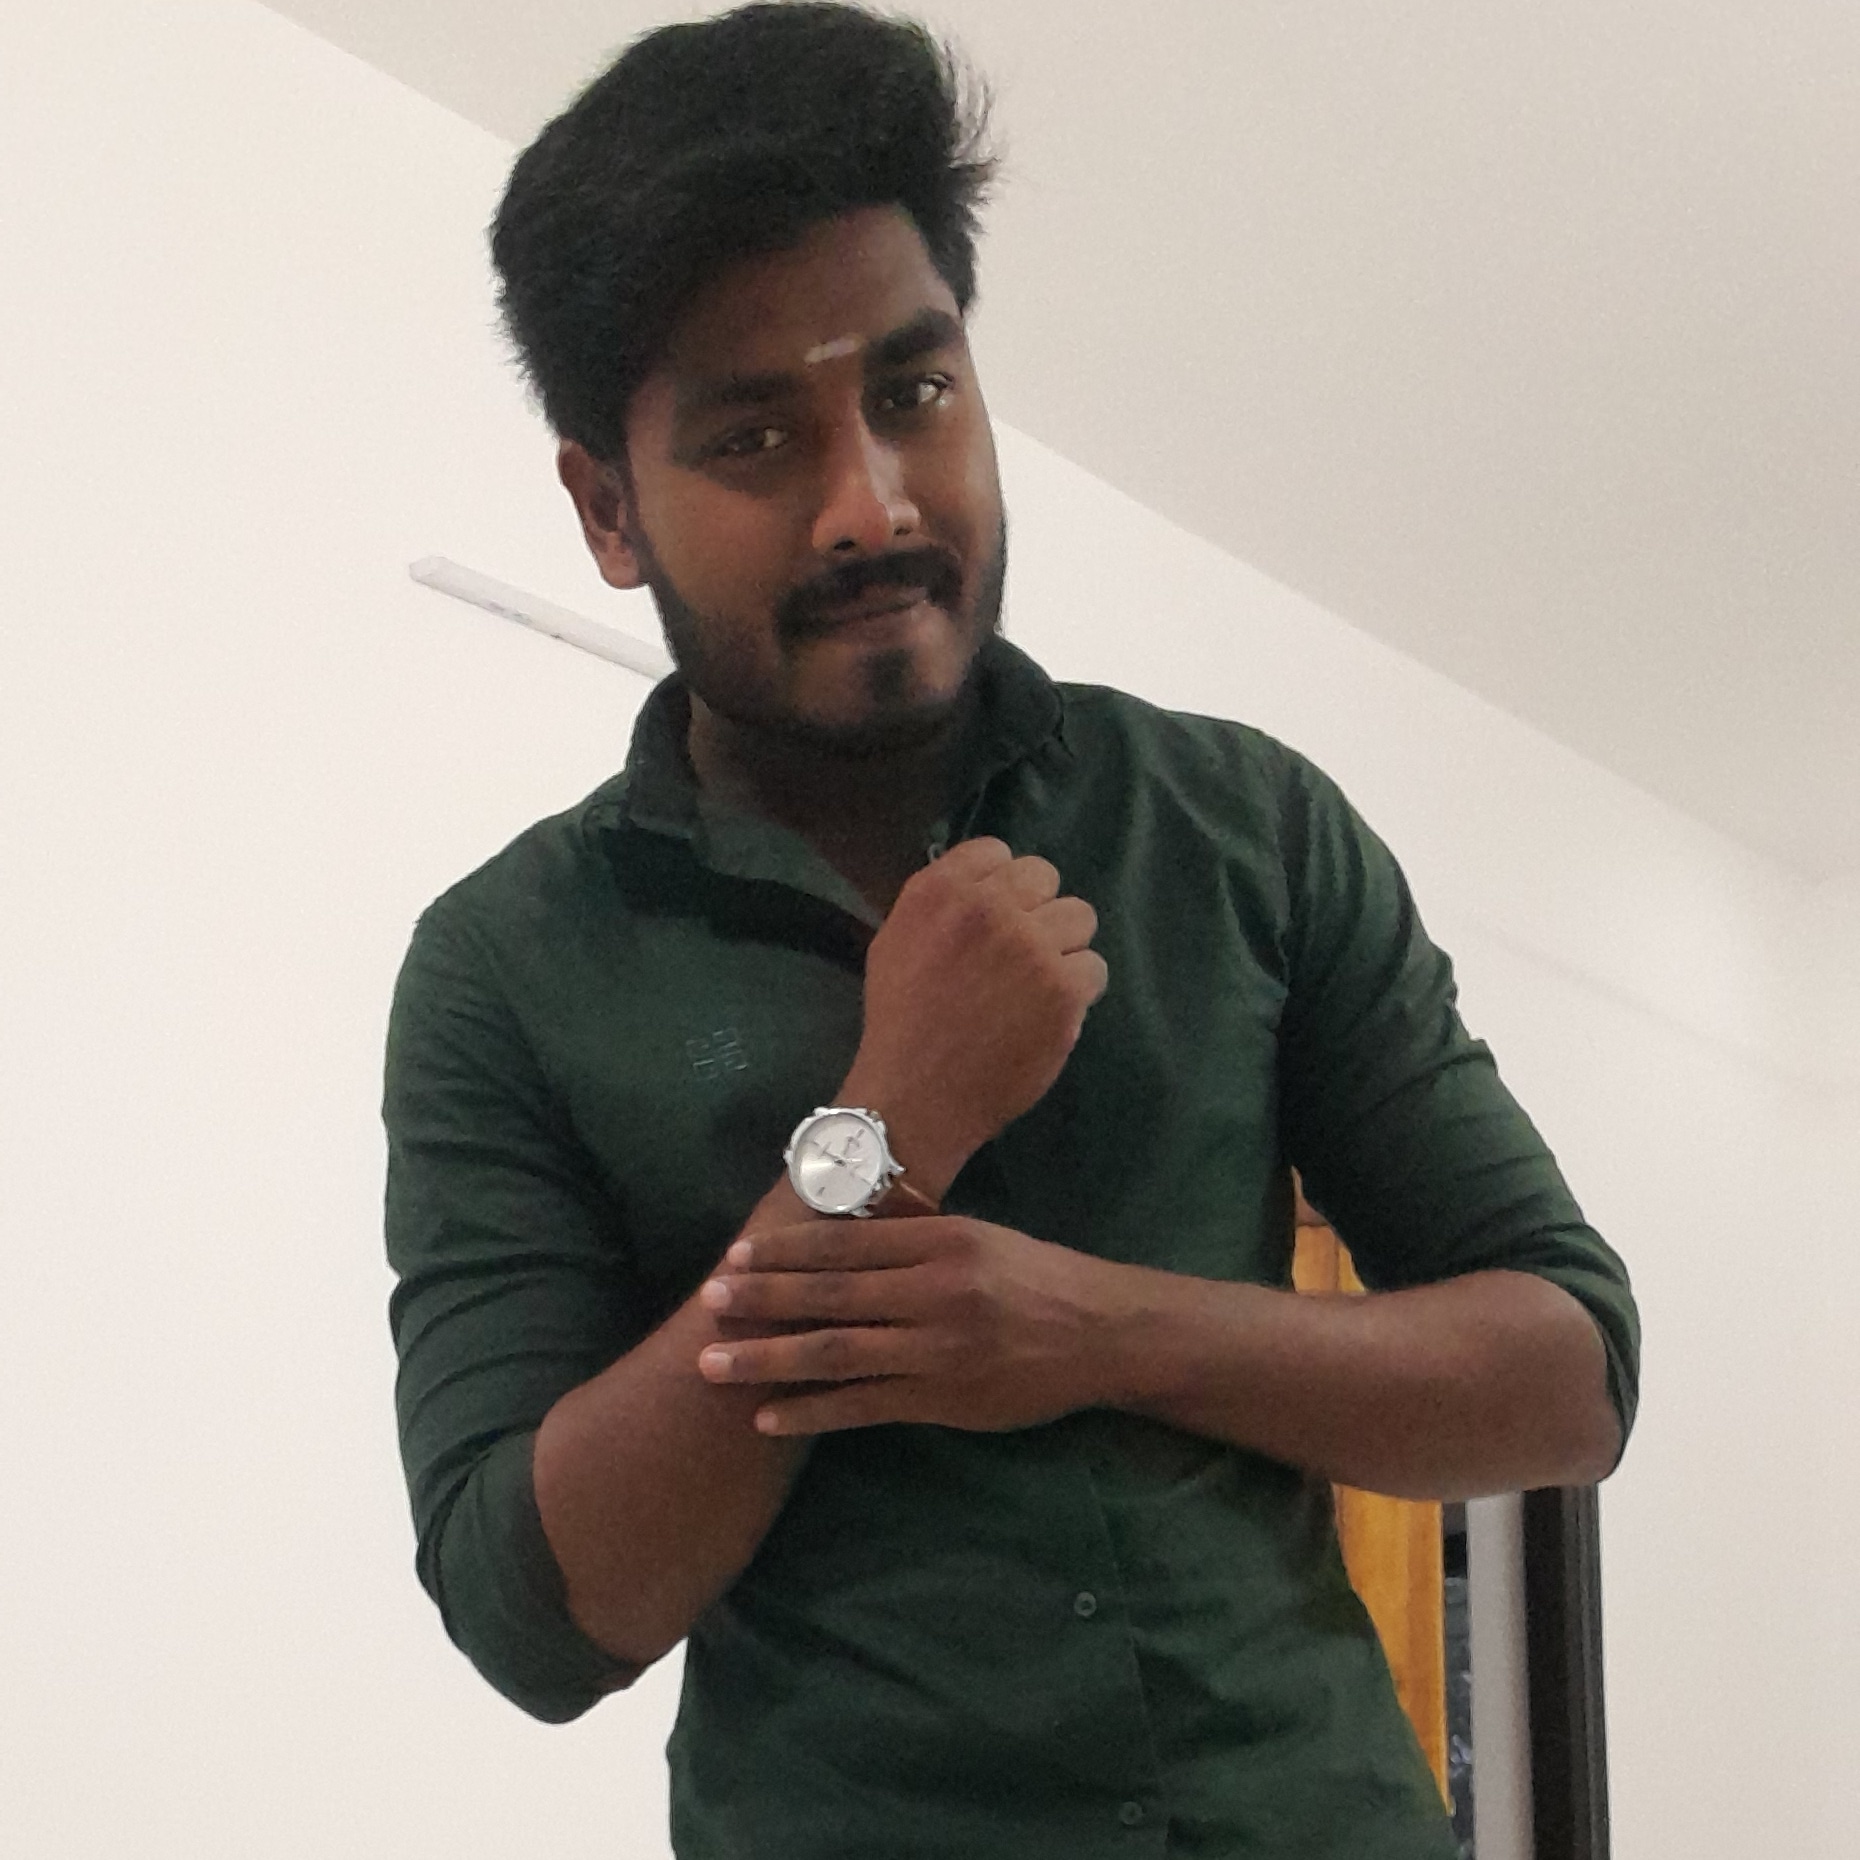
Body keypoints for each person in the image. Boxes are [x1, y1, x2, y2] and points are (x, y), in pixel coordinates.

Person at [383, 7, 1639, 1856]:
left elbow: (1568, 1375)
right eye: (755, 436)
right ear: (607, 508)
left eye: (913, 393)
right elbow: (534, 1612)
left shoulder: (1243, 827)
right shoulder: (508, 967)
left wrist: (1098, 1330)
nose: (871, 503)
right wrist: (880, 1138)